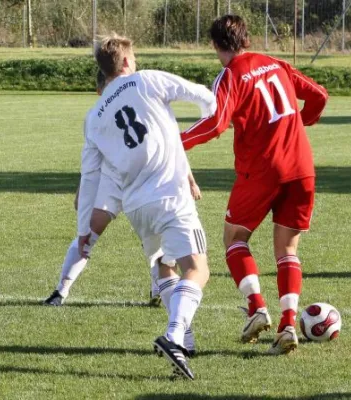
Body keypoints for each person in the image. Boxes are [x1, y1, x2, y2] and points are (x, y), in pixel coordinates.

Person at [181, 15, 328, 355]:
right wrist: (295, 126)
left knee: (234, 238)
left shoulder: (231, 75)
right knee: (288, 250)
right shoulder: (276, 64)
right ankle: (288, 323)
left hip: (262, 170)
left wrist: (178, 142)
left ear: (216, 45)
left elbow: (216, 123)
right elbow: (319, 96)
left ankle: (256, 307)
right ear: (246, 39)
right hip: (302, 167)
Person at [77, 34, 215, 380]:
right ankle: (173, 335)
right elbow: (199, 94)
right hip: (170, 196)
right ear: (124, 62)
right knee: (198, 269)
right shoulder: (147, 79)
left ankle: (185, 337)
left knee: (165, 266)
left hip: (137, 206)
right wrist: (211, 109)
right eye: (133, 56)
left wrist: (84, 231)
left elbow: (89, 179)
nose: (135, 61)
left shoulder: (94, 117)